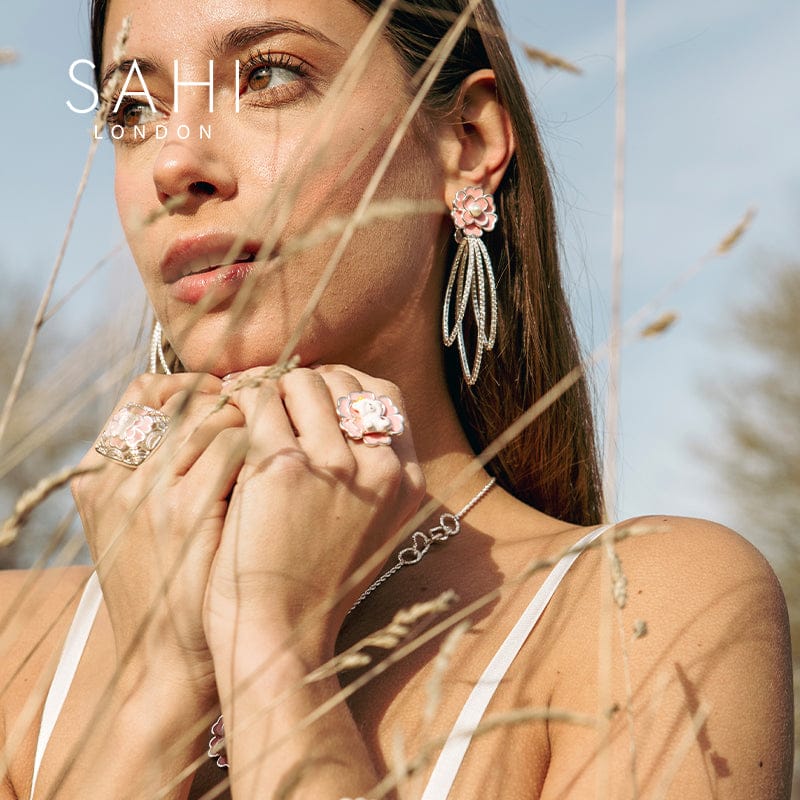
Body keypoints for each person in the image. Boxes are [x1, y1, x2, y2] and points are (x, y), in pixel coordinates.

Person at [0, 0, 792, 798]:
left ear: (466, 141)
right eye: (133, 109)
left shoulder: (649, 613)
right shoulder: (13, 640)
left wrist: (273, 653)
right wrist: (159, 684)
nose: (174, 163)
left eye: (267, 75)